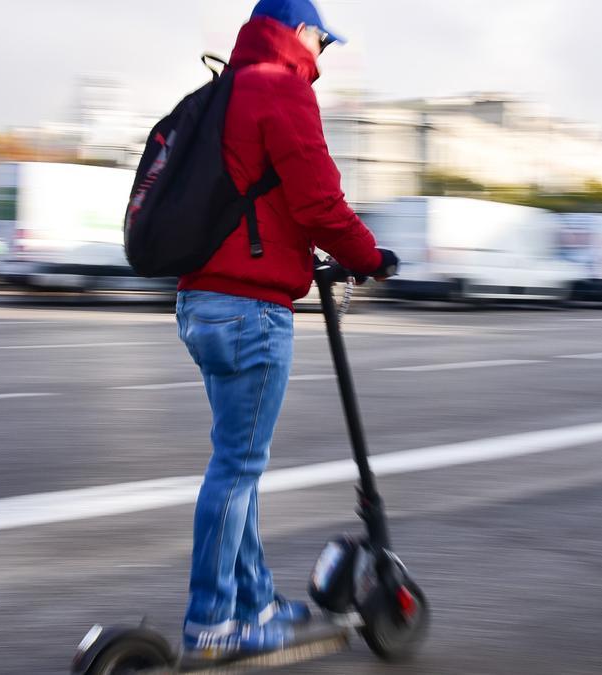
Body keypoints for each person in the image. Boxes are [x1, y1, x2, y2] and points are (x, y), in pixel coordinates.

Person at [174, 0, 397, 661]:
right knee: (237, 471)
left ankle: (256, 600)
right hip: (250, 307)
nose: (324, 54)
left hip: (200, 302)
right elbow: (318, 200)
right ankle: (213, 622)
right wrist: (368, 256)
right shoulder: (281, 88)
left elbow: (262, 195)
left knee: (236, 464)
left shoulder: (223, 89)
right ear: (300, 33)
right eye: (323, 41)